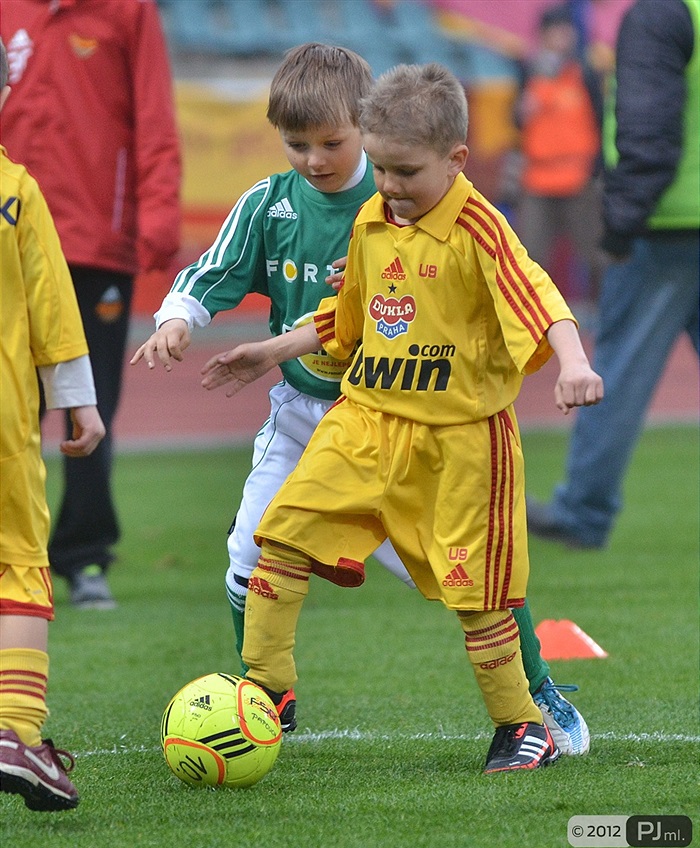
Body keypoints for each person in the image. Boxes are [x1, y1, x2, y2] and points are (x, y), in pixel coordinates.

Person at [132, 43, 592, 756]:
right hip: (349, 416)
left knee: (475, 588)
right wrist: (241, 341)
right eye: (381, 168)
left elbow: (542, 300)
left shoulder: (457, 222)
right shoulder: (337, 212)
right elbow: (333, 314)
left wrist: (574, 364)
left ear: (453, 158)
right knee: (263, 542)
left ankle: (528, 709)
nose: (384, 182)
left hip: (450, 438)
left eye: (399, 168)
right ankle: (265, 698)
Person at [0, 0, 182, 608]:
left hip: (94, 243)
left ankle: (82, 557)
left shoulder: (126, 11)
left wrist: (156, 216)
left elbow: (154, 116)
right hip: (8, 238)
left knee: (90, 402)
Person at [527, 0, 699, 549]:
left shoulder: (658, 14)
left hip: (666, 223)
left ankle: (584, 511)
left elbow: (647, 127)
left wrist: (621, 224)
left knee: (618, 370)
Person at [0, 37, 106, 811]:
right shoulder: (15, 190)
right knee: (18, 564)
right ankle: (15, 731)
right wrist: (78, 396)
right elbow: (52, 306)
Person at [513, 3, 604, 307]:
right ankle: (532, 320)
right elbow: (515, 121)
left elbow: (601, 120)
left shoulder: (585, 72)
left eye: (567, 31)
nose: (562, 38)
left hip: (578, 179)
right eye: (556, 32)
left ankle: (606, 311)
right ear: (543, 36)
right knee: (531, 256)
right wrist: (523, 109)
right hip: (538, 179)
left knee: (596, 254)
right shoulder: (528, 71)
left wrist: (597, 169)